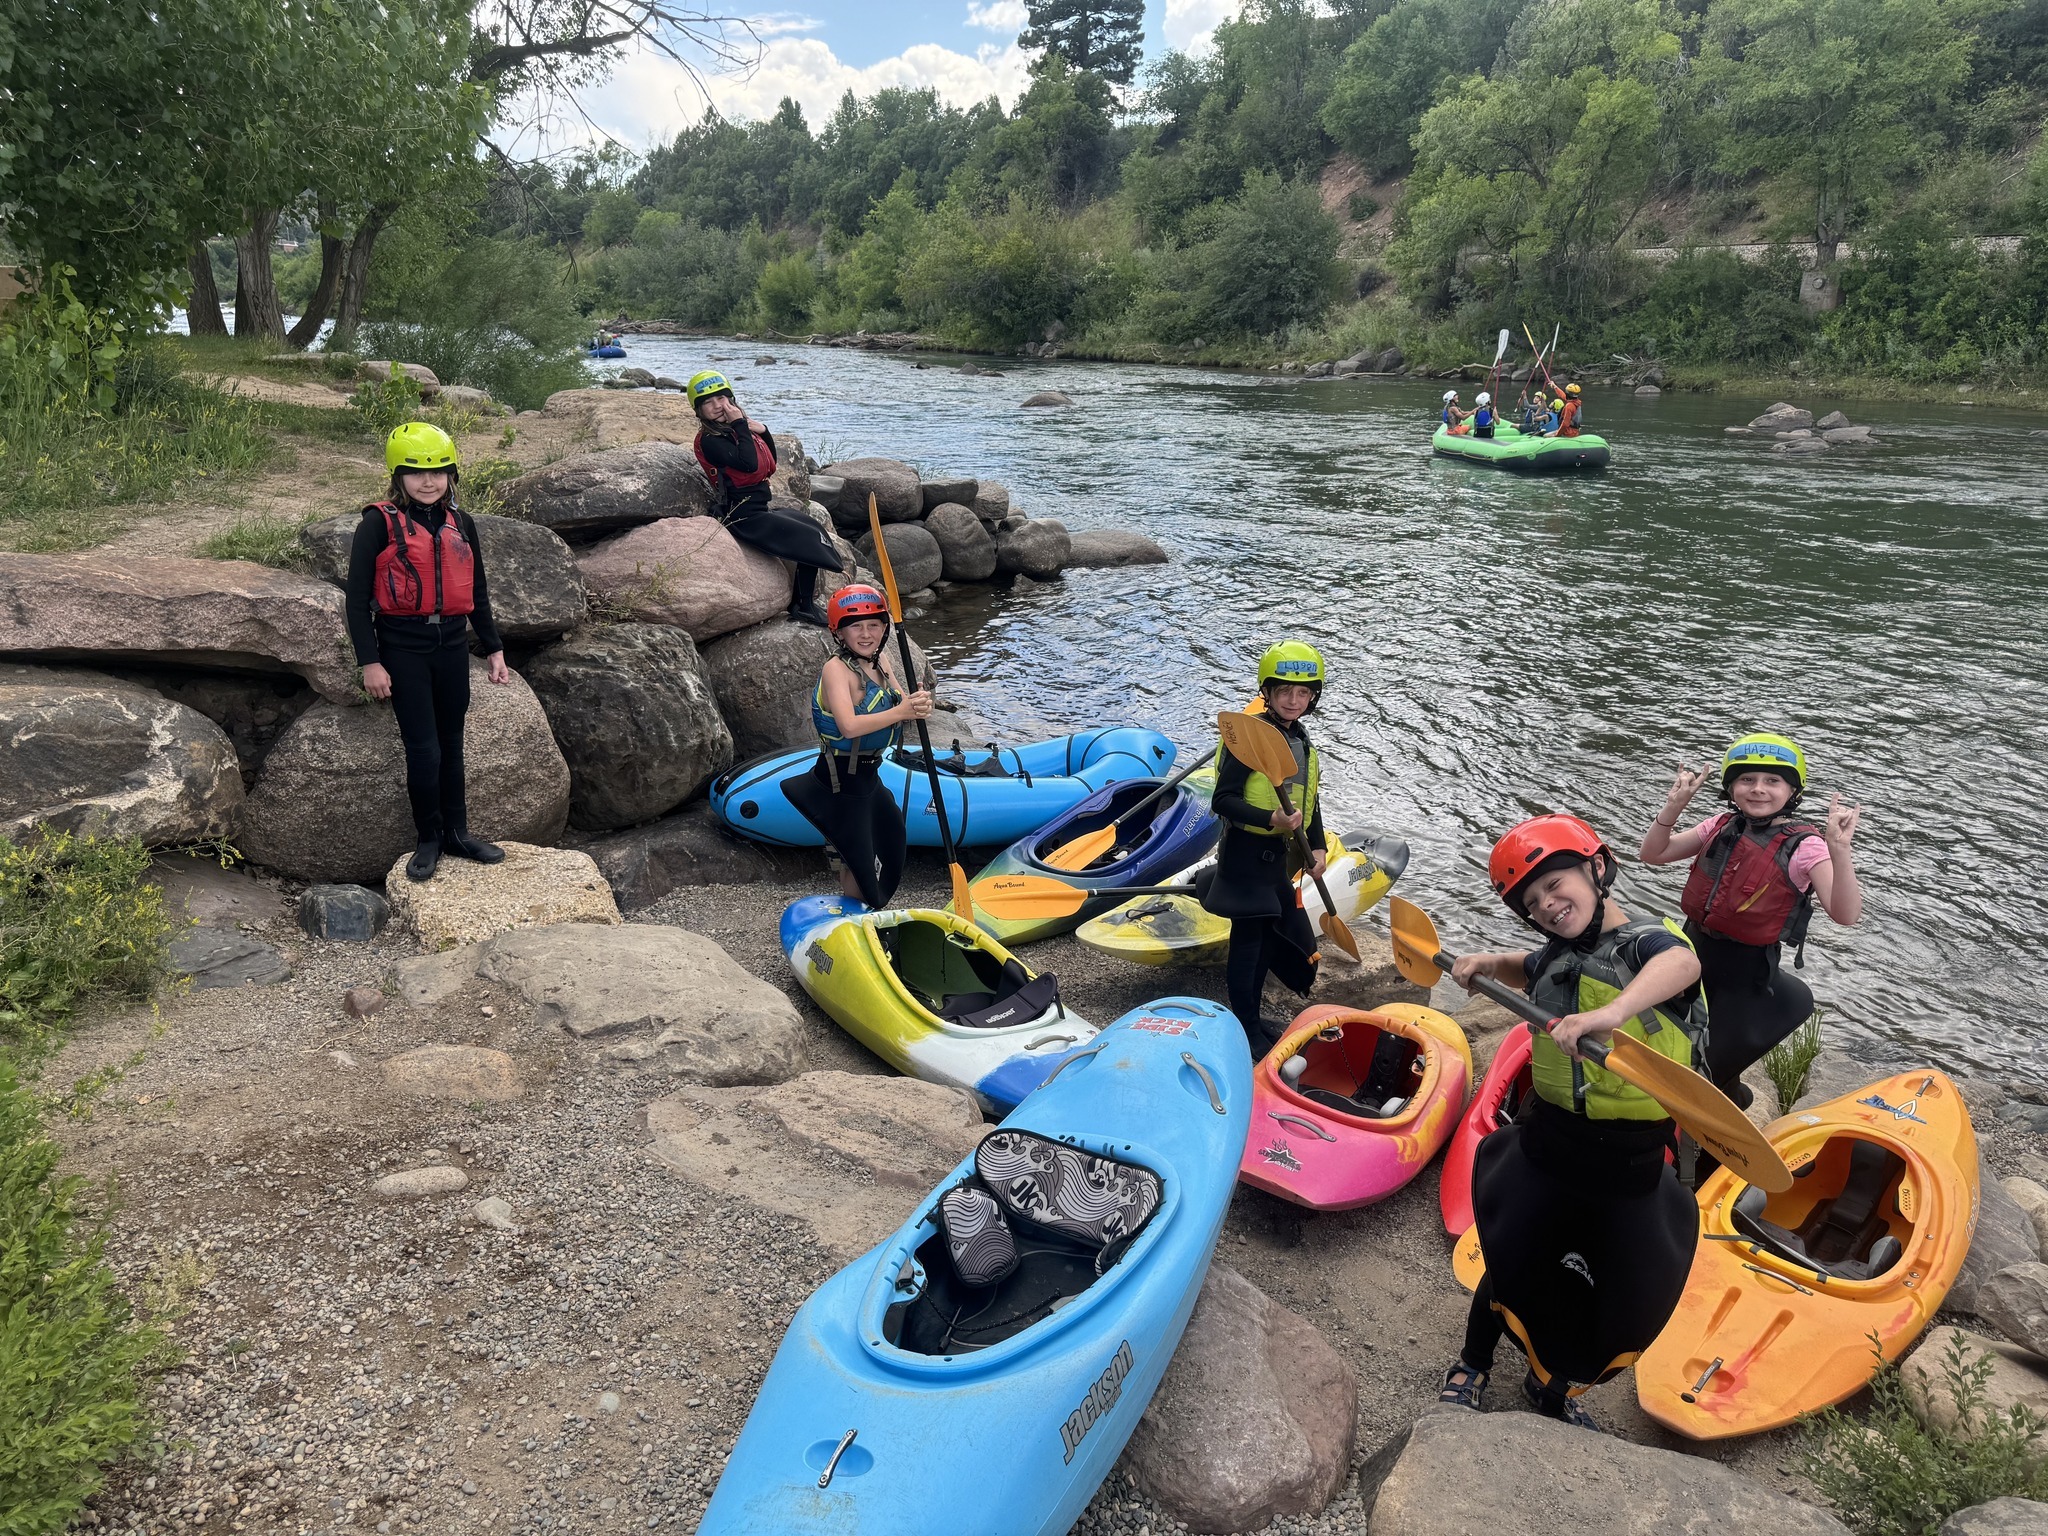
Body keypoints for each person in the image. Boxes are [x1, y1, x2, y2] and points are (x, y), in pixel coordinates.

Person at [1437, 814, 1706, 1431]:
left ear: (1598, 869)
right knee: (1514, 1255)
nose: (1548, 905)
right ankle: (1473, 1363)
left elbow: (1681, 967)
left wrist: (1610, 1013)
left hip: (1630, 1162)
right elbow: (1527, 963)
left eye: (1557, 885)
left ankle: (1551, 1384)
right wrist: (1487, 963)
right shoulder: (1555, 952)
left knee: (1606, 1282)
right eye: (1532, 902)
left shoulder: (1647, 944)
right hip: (1551, 1142)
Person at [1638, 735, 1862, 1112]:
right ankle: (1725, 1108)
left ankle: (1721, 1122)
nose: (1758, 789)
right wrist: (1675, 805)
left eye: (1772, 781)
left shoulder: (1805, 846)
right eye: (1747, 780)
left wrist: (1839, 848)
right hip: (1691, 955)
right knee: (1675, 1053)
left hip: (1745, 975)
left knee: (1704, 1070)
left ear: (1792, 790)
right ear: (1731, 788)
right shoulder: (1720, 824)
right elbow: (1653, 854)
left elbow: (1845, 914)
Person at [346, 423, 512, 883]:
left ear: (451, 475)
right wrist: (370, 661)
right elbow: (357, 600)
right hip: (403, 649)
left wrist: (493, 648)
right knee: (424, 751)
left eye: (439, 471)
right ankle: (429, 839)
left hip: (452, 647)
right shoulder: (377, 524)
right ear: (397, 476)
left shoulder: (463, 523)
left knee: (452, 746)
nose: (428, 481)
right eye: (415, 472)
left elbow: (476, 591)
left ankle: (457, 833)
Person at [1200, 641, 1329, 1056]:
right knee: (1250, 943)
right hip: (1245, 854)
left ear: (1313, 696)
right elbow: (1223, 800)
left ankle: (1251, 1018)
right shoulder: (1249, 740)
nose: (1294, 700)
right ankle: (1244, 1029)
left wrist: (1320, 848)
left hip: (1279, 859)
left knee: (1271, 940)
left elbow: (1311, 800)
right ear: (1268, 693)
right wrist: (1270, 819)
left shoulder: (1299, 738)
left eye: (1303, 692)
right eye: (1284, 691)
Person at [782, 584, 934, 908]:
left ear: (884, 628)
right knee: (859, 862)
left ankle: (866, 910)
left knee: (893, 841)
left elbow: (901, 705)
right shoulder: (835, 670)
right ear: (839, 632)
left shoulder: (883, 661)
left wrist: (918, 703)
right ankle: (855, 916)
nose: (866, 634)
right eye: (856, 626)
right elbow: (848, 727)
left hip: (868, 777)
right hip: (840, 781)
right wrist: (903, 710)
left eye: (874, 625)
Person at [688, 369, 847, 628]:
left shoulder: (735, 431)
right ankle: (803, 606)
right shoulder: (711, 440)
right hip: (740, 515)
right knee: (807, 540)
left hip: (759, 507)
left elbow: (769, 460)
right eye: (708, 402)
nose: (718, 406)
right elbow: (749, 465)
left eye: (723, 398)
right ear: (699, 411)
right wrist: (740, 424)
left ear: (732, 399)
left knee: (812, 526)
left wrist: (763, 430)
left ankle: (804, 601)